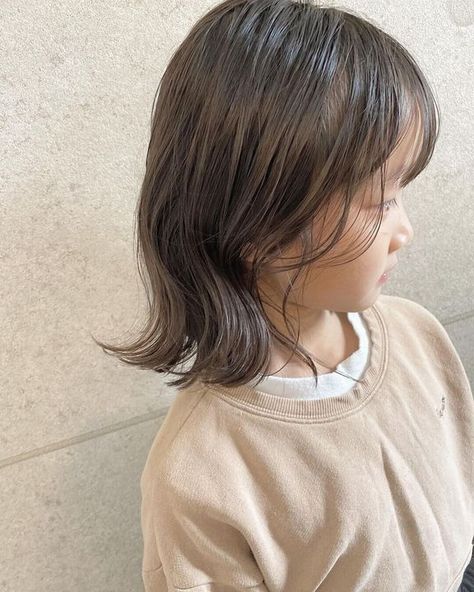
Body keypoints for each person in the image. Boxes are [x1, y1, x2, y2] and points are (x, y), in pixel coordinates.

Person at [94, 0, 473, 590]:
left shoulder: (416, 332)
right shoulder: (200, 475)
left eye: (401, 192)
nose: (405, 231)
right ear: (256, 224)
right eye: (380, 201)